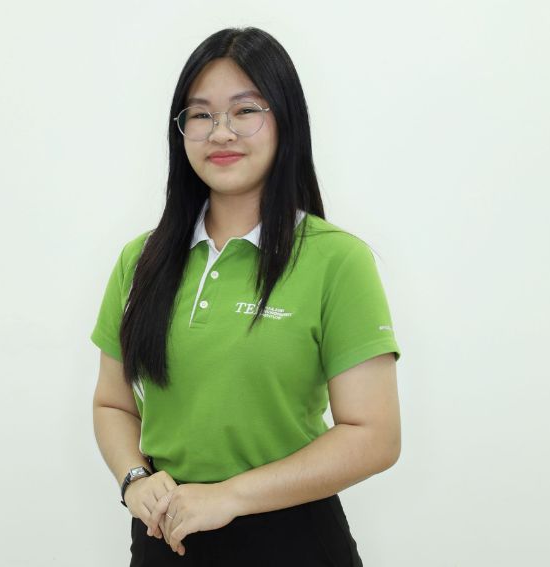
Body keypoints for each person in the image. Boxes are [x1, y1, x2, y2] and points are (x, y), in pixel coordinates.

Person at [90, 26, 402, 567]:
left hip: (292, 539)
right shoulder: (140, 260)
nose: (221, 132)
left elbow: (375, 435)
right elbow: (112, 403)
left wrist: (230, 496)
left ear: (286, 121)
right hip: (165, 537)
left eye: (245, 110)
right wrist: (135, 478)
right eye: (201, 114)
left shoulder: (337, 259)